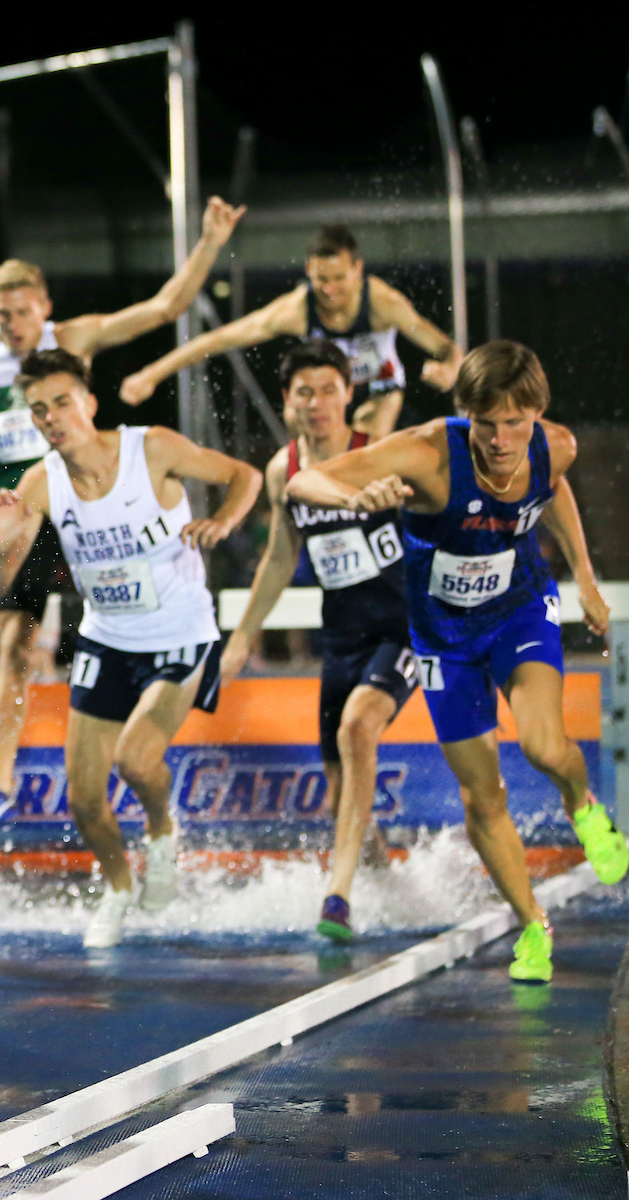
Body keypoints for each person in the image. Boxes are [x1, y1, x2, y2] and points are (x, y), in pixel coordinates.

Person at [0, 199, 245, 823]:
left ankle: (136, 751)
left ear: (44, 308)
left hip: (88, 508)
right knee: (14, 650)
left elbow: (163, 308)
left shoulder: (71, 339)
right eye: (3, 315)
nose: (14, 326)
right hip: (20, 518)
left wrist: (209, 245)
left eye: (23, 313)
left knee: (115, 628)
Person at [286, 340, 627, 982]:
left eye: (515, 425)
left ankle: (582, 806)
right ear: (466, 412)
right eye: (486, 424)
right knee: (482, 797)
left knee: (544, 747)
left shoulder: (558, 446)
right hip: (442, 639)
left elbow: (552, 493)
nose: (500, 440)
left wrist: (583, 575)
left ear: (537, 416)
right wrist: (352, 497)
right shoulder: (424, 453)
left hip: (519, 610)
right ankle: (533, 927)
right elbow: (303, 479)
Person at [0, 349, 262, 948]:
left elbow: (245, 475)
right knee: (83, 801)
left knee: (136, 759)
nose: (51, 417)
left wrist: (225, 522)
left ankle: (162, 831)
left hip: (181, 635)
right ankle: (118, 887)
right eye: (38, 410)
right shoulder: (40, 483)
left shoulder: (150, 448)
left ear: (89, 403)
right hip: (108, 639)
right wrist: (1, 549)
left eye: (61, 402)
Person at [221, 341, 417, 941]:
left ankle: (338, 896)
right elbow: (281, 557)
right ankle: (398, 893)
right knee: (339, 792)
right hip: (343, 640)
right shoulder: (285, 471)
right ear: (288, 401)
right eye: (304, 392)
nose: (317, 402)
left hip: (403, 628)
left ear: (348, 394)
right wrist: (241, 639)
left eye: (329, 389)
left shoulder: (379, 454)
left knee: (358, 727)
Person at [120, 224, 463, 438]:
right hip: (325, 392)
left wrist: (449, 369)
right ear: (309, 272)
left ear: (357, 270)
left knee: (364, 443)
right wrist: (152, 374)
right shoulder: (297, 308)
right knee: (296, 415)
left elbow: (445, 347)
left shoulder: (384, 303)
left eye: (339, 278)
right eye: (321, 280)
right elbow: (219, 339)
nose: (330, 290)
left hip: (378, 387)